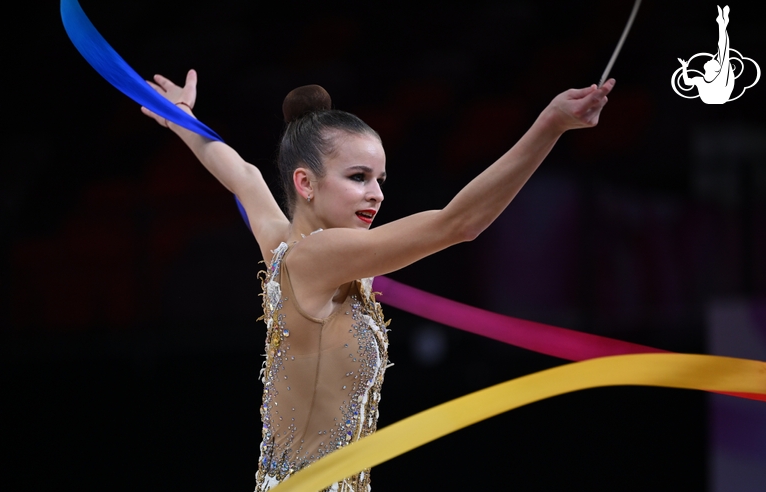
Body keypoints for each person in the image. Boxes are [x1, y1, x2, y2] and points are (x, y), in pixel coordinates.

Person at [141, 72, 615, 491]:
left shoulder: (283, 243)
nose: (377, 194)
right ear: (305, 184)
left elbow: (242, 174)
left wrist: (180, 117)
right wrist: (550, 125)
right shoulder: (319, 256)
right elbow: (459, 223)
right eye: (359, 177)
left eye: (380, 180)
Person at [678, 5, 733, 104]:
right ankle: (722, 24)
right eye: (714, 60)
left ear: (715, 69)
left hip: (719, 96)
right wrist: (684, 67)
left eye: (713, 61)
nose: (711, 59)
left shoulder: (717, 78)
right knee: (723, 51)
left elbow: (723, 49)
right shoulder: (701, 80)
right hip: (716, 98)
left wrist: (684, 67)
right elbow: (687, 82)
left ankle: (722, 24)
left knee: (723, 50)